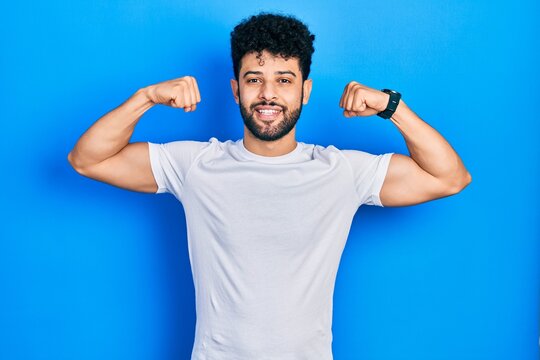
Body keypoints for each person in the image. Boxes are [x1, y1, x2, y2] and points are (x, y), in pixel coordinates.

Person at [68, 12, 471, 360]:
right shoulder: (195, 165)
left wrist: (391, 107)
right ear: (235, 89)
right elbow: (88, 159)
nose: (268, 94)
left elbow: (450, 177)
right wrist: (146, 97)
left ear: (305, 91)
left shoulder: (340, 171)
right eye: (254, 79)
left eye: (284, 80)